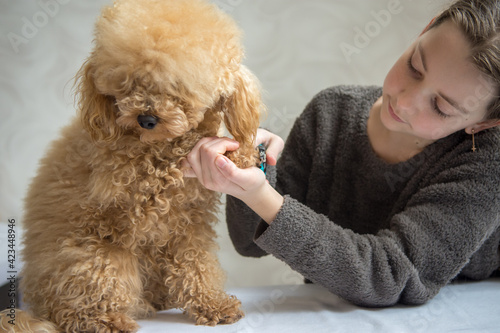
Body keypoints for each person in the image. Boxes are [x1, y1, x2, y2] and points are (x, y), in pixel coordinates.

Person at [182, 0, 500, 307]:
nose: (405, 102)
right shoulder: (332, 112)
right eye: (415, 67)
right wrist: (253, 164)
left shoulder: (488, 162)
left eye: (441, 107)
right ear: (425, 30)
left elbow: (390, 276)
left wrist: (262, 196)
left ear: (483, 123)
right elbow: (249, 242)